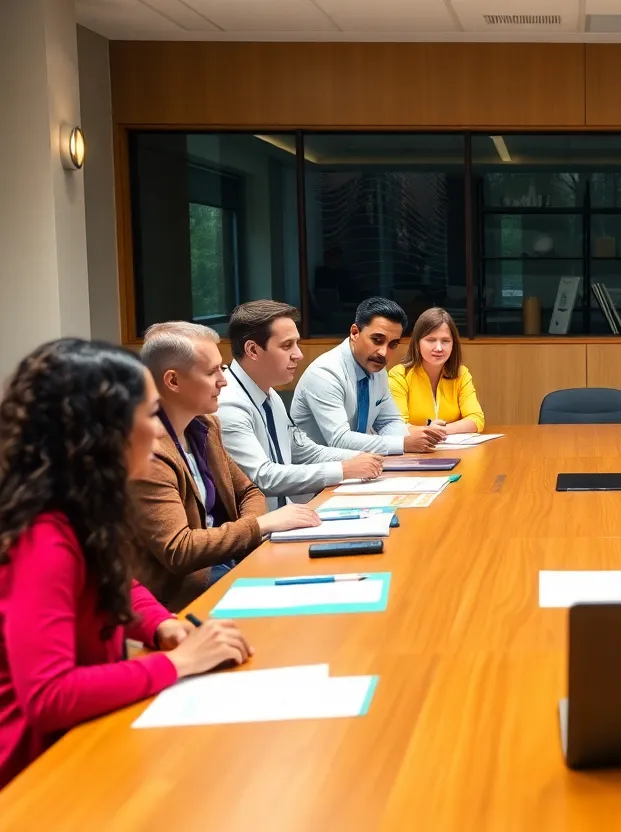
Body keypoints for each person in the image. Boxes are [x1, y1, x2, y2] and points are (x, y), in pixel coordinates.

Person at [0, 339, 254, 789]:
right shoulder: (42, 537)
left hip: (75, 741)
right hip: (31, 770)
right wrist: (179, 663)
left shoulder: (81, 504)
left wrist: (162, 626)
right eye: (149, 414)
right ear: (104, 431)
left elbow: (120, 583)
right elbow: (48, 696)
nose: (158, 432)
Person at [132, 322, 320, 610]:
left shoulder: (205, 426)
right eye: (211, 372)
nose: (224, 380)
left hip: (227, 562)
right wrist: (258, 526)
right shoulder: (149, 453)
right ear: (172, 381)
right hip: (180, 594)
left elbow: (250, 492)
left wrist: (249, 531)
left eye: (222, 368)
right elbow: (180, 550)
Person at [219, 301, 384, 509]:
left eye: (296, 344)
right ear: (252, 350)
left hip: (288, 518)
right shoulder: (228, 404)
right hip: (259, 535)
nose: (299, 354)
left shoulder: (269, 393)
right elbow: (263, 477)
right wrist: (344, 469)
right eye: (287, 346)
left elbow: (303, 451)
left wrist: (365, 458)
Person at [292, 297, 443, 455]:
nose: (383, 353)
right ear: (355, 332)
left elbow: (389, 421)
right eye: (377, 340)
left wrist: (416, 438)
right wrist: (403, 443)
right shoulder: (325, 373)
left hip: (358, 466)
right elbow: (339, 440)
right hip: (319, 471)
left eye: (392, 345)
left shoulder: (378, 371)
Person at [387, 307, 485, 436]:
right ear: (417, 343)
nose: (438, 348)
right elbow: (396, 426)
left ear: (453, 344)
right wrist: (428, 430)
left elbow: (476, 419)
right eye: (431, 340)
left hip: (454, 450)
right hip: (413, 452)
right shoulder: (399, 376)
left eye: (445, 341)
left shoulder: (461, 374)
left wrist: (443, 430)